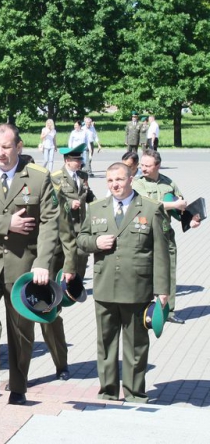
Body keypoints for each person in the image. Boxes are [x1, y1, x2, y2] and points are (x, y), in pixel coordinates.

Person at [0, 123, 59, 406]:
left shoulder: (38, 177)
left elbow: (51, 223)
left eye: (6, 147)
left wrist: (43, 263)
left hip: (24, 264)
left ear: (18, 146)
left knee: (20, 327)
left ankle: (18, 386)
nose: (0, 153)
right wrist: (7, 223)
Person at [76, 163, 170, 403]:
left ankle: (135, 393)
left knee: (136, 344)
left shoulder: (150, 208)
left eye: (119, 179)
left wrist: (162, 290)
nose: (114, 185)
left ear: (131, 179)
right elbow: (81, 240)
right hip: (105, 287)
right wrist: (96, 243)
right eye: (110, 181)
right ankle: (108, 392)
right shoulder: (96, 208)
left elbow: (161, 252)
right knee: (106, 344)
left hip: (137, 288)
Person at [132, 149, 201, 324]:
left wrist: (189, 220)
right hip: (144, 234)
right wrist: (175, 204)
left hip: (165, 234)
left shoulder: (169, 183)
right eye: (141, 165)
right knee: (144, 272)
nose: (143, 168)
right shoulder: (137, 183)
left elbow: (180, 208)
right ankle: (144, 310)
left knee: (168, 272)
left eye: (147, 165)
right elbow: (147, 204)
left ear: (158, 166)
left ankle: (167, 311)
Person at [45, 144, 96, 382]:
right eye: (76, 159)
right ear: (67, 160)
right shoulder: (55, 178)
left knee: (53, 311)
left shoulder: (82, 178)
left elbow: (89, 199)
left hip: (72, 237)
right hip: (42, 253)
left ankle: (61, 364)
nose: (80, 163)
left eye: (80, 159)